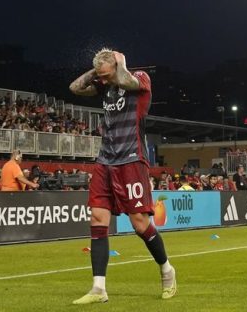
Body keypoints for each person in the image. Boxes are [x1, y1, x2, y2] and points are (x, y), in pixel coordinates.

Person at [69, 48, 176, 304]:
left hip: (131, 159)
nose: (103, 81)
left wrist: (120, 65)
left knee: (139, 222)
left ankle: (167, 270)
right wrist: (98, 71)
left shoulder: (138, 78)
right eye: (100, 76)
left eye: (107, 75)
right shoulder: (103, 84)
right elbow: (74, 87)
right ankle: (98, 288)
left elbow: (125, 80)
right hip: (105, 160)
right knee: (97, 217)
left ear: (118, 66)